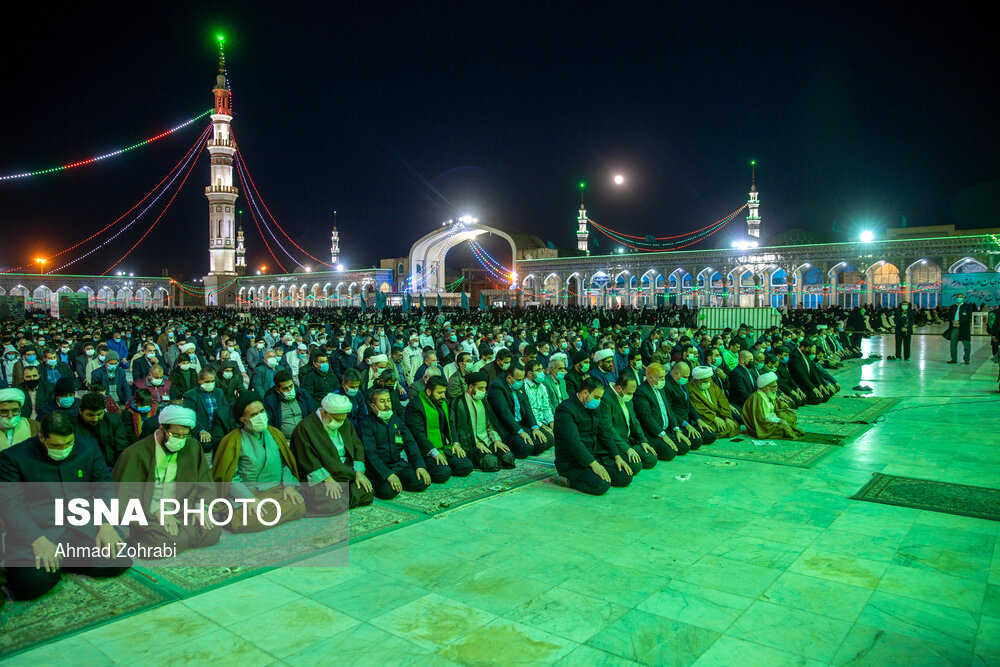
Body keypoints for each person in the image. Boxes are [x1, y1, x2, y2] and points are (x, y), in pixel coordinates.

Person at [0, 411, 130, 600]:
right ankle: (56, 561)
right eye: (55, 445)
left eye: (68, 444)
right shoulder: (13, 457)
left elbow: (103, 486)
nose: (63, 449)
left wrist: (106, 524)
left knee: (119, 559)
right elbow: (10, 505)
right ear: (41, 437)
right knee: (30, 584)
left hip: (81, 527)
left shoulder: (88, 447)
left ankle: (64, 560)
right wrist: (38, 540)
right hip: (38, 530)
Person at [112, 405, 221, 555]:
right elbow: (128, 496)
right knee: (162, 543)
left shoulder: (192, 447)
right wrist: (157, 512)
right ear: (162, 429)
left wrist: (200, 509)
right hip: (149, 515)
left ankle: (178, 536)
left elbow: (204, 480)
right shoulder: (135, 453)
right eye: (175, 435)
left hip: (182, 511)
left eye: (185, 436)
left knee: (212, 532)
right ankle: (167, 537)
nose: (180, 440)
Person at [212, 391, 306, 532]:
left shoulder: (275, 434)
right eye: (254, 415)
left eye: (262, 411)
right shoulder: (233, 441)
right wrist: (248, 498)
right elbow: (229, 478)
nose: (261, 417)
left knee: (299, 506)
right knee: (251, 519)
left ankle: (262, 514)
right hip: (248, 493)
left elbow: (284, 465)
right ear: (243, 419)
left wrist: (288, 486)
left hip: (276, 491)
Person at [290, 392, 374, 513]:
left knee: (367, 491)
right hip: (322, 476)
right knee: (330, 501)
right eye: (337, 419)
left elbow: (357, 447)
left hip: (346, 472)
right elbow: (307, 460)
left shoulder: (344, 422)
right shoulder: (305, 427)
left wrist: (359, 472)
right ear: (324, 412)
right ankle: (344, 496)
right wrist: (328, 479)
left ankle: (343, 497)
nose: (340, 423)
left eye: (342, 420)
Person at [553, 377, 633, 495]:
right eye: (596, 397)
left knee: (625, 476)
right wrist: (594, 465)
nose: (599, 400)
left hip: (595, 454)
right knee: (601, 485)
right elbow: (573, 442)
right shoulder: (565, 409)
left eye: (600, 397)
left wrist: (617, 456)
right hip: (573, 461)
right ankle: (567, 480)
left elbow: (604, 432)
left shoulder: (594, 406)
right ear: (585, 393)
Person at [359, 387, 432, 499]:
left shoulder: (396, 419)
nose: (387, 404)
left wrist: (419, 466)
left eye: (388, 400)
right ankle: (390, 481)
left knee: (422, 481)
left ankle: (398, 480)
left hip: (398, 464)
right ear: (373, 406)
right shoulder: (366, 424)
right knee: (389, 491)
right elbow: (370, 454)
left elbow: (410, 443)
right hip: (379, 469)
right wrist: (387, 474)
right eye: (382, 401)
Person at [404, 375, 472, 480]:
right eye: (439, 393)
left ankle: (444, 465)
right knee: (443, 473)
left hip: (443, 447)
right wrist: (434, 452)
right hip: (426, 451)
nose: (443, 396)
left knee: (466, 466)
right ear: (428, 392)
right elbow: (418, 434)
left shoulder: (443, 402)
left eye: (444, 392)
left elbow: (450, 424)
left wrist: (456, 443)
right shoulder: (415, 406)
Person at [449, 371, 515, 472]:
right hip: (470, 444)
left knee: (508, 457)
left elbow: (490, 424)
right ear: (471, 387)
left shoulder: (483, 401)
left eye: (485, 388)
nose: (484, 391)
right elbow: (455, 427)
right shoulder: (458, 403)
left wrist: (496, 440)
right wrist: (475, 443)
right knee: (490, 461)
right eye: (481, 388)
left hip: (486, 440)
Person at [487, 363, 553, 458]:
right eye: (518, 380)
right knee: (526, 448)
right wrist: (520, 432)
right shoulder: (497, 387)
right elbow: (504, 412)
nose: (521, 382)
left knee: (546, 440)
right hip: (507, 427)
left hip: (520, 423)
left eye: (522, 379)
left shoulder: (519, 383)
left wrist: (535, 427)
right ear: (509, 378)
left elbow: (527, 406)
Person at [631, 362, 691, 461]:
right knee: (669, 453)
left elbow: (669, 411)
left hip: (666, 429)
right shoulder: (641, 392)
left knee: (685, 445)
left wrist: (677, 430)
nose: (664, 380)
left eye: (664, 377)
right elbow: (647, 417)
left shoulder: (661, 388)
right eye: (660, 378)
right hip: (653, 433)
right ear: (650, 378)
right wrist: (663, 436)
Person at [606, 371, 658, 472]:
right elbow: (609, 428)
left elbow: (634, 420)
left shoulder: (626, 396)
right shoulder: (606, 398)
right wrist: (626, 449)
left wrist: (643, 440)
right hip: (616, 444)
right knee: (635, 466)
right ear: (619, 388)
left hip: (629, 439)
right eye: (629, 393)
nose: (631, 396)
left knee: (651, 459)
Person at [663, 362, 717, 448]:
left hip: (688, 419)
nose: (687, 379)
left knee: (711, 435)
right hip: (677, 422)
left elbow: (689, 404)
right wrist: (686, 425)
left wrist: (698, 420)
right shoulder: (666, 385)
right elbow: (668, 411)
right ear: (676, 374)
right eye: (685, 377)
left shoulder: (682, 382)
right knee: (696, 441)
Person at [742, 372, 804, 440]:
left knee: (790, 415)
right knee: (782, 429)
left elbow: (778, 405)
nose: (776, 389)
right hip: (763, 424)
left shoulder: (770, 393)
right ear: (765, 387)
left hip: (771, 418)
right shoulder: (757, 398)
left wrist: (787, 409)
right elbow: (761, 418)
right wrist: (778, 420)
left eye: (776, 386)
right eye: (774, 387)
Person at [75, 392, 130, 467]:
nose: (95, 419)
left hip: (111, 465)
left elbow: (122, 447)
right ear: (80, 411)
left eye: (99, 414)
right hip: (85, 466)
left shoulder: (113, 421)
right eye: (90, 415)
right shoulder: (73, 425)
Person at [182, 368, 228, 452]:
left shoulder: (219, 392)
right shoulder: (190, 395)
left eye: (212, 381)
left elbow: (226, 411)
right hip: (204, 428)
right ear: (200, 380)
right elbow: (190, 416)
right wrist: (201, 430)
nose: (210, 384)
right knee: (207, 446)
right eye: (207, 382)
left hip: (218, 428)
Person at [264, 370, 318, 440]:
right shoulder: (270, 401)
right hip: (286, 441)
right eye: (285, 388)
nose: (289, 390)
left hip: (307, 436)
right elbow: (269, 425)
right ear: (278, 389)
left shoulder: (302, 394)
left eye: (291, 386)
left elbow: (312, 413)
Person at [688, 366, 740, 438]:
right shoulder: (690, 389)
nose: (708, 383)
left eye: (709, 380)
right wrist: (714, 418)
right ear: (696, 380)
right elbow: (699, 409)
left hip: (719, 415)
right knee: (714, 430)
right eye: (705, 381)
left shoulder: (711, 384)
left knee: (733, 424)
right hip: (706, 419)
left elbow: (722, 400)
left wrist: (726, 417)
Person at [0, 387, 39, 452]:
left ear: (20, 409)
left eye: (15, 410)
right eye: (4, 411)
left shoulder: (34, 426)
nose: (10, 416)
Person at [946, 293, 973, 364]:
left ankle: (966, 359)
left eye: (960, 297)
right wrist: (953, 321)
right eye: (958, 297)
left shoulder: (967, 307)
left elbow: (967, 316)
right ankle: (953, 359)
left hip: (964, 328)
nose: (959, 298)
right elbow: (949, 315)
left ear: (963, 298)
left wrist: (959, 322)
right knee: (953, 344)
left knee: (966, 344)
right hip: (954, 327)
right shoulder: (952, 307)